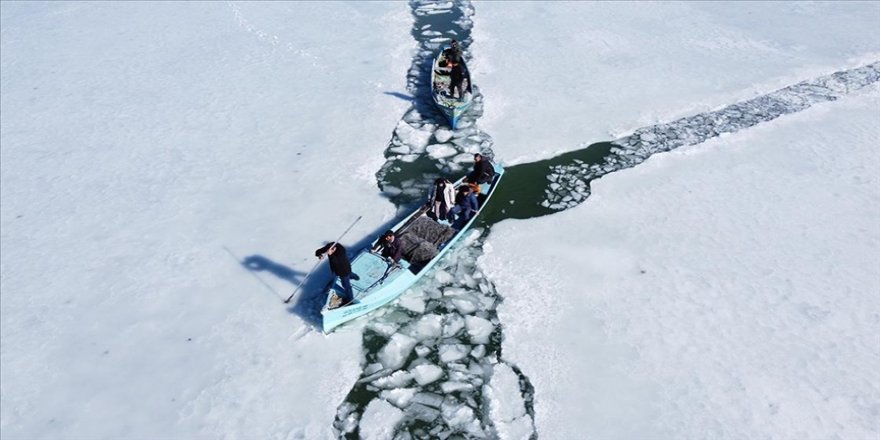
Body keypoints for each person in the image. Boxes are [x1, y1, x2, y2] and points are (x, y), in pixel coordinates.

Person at [315, 242, 353, 308]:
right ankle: (353, 276)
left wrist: (331, 254)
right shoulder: (330, 246)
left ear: (334, 248)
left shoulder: (341, 251)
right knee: (346, 278)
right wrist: (319, 255)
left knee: (346, 285)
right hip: (337, 270)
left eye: (330, 250)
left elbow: (337, 262)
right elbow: (318, 251)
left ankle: (350, 300)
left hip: (344, 270)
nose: (328, 251)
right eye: (328, 250)